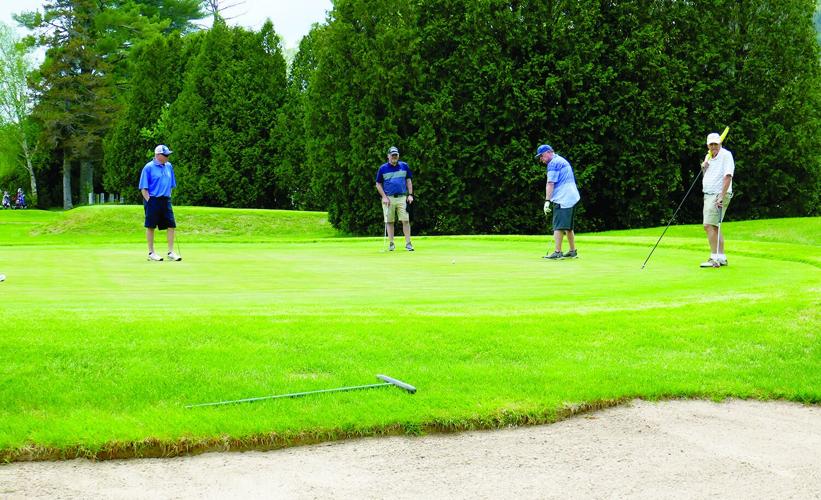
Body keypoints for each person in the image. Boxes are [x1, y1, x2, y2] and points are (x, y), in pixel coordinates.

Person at [535, 144, 581, 259]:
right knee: (568, 227)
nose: (541, 159)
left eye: (542, 156)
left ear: (549, 152)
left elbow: (550, 183)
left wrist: (547, 201)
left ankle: (557, 252)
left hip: (563, 197)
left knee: (558, 226)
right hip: (572, 196)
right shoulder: (560, 160)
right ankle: (572, 251)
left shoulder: (553, 164)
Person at [139, 144, 181, 261]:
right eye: (165, 155)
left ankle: (171, 252)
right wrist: (149, 201)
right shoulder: (148, 167)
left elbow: (171, 184)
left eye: (168, 155)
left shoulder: (169, 166)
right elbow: (143, 188)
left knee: (171, 225)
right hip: (153, 199)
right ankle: (151, 253)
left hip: (165, 199)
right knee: (151, 226)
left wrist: (168, 196)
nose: (167, 157)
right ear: (157, 155)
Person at [700, 132, 734, 268]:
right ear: (708, 145)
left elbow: (728, 176)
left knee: (708, 225)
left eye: (716, 144)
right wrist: (704, 168)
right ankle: (721, 257)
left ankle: (714, 258)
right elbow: (706, 176)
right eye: (711, 144)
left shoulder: (726, 155)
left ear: (720, 143)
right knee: (714, 226)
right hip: (708, 194)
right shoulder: (708, 156)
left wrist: (721, 195)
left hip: (718, 195)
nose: (713, 146)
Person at [375, 146, 415, 251]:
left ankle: (408, 243)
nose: (394, 157)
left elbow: (408, 181)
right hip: (388, 198)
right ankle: (391, 244)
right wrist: (384, 197)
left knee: (405, 220)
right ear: (388, 156)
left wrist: (410, 195)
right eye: (392, 155)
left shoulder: (404, 166)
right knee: (390, 221)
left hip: (402, 197)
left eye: (396, 155)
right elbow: (378, 184)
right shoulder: (383, 168)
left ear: (398, 156)